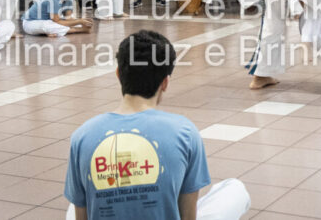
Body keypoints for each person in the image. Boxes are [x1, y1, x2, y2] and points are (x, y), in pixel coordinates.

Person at [64, 30, 250, 220]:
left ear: (118, 74)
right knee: (234, 189)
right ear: (165, 82)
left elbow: (81, 216)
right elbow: (188, 215)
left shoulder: (82, 135)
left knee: (77, 200)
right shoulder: (184, 132)